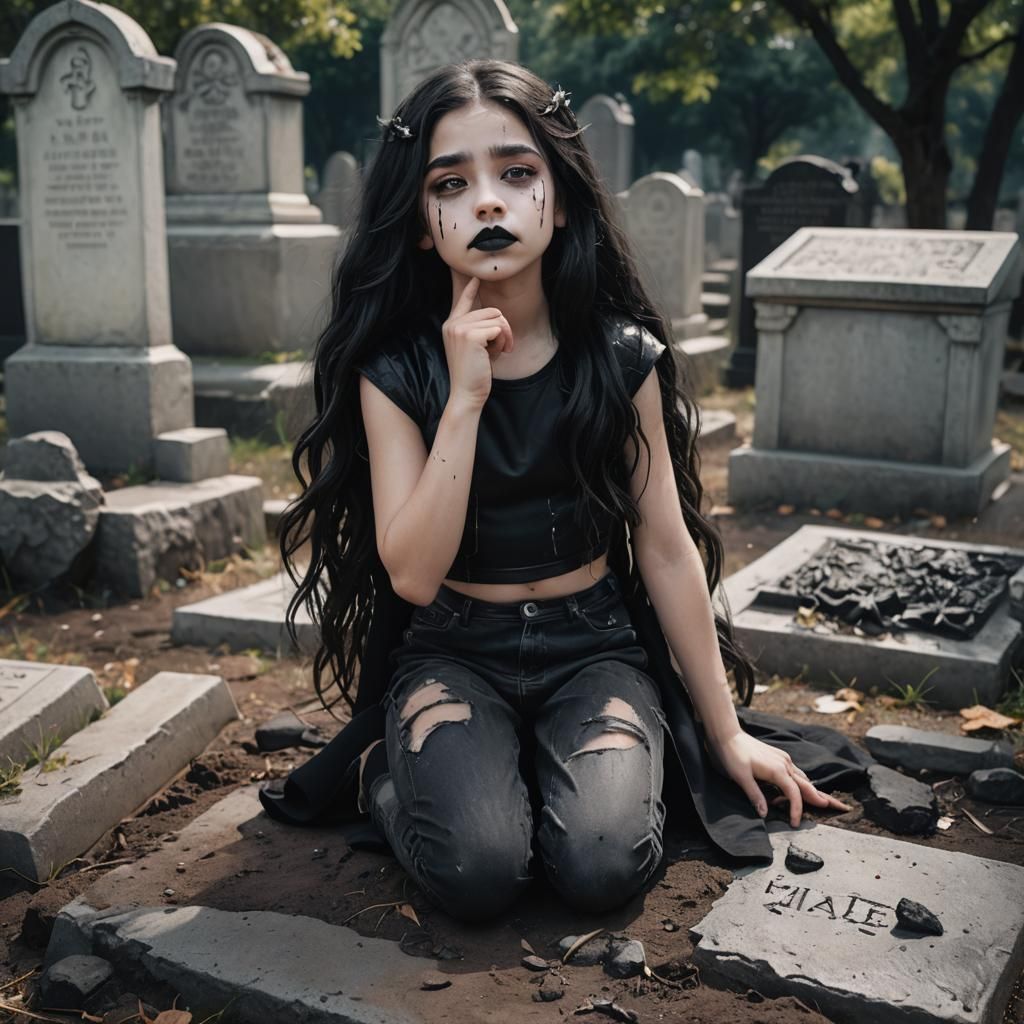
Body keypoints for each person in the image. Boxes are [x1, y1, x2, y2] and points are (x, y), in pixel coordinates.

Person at [259, 59, 854, 923]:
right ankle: (387, 771)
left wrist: (725, 733)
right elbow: (415, 577)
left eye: (516, 173)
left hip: (595, 646)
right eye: (452, 184)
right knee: (478, 873)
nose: (488, 203)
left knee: (603, 868)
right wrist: (464, 397)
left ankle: (548, 770)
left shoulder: (619, 358)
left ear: (561, 198)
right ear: (423, 225)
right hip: (455, 649)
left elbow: (662, 543)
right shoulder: (395, 376)